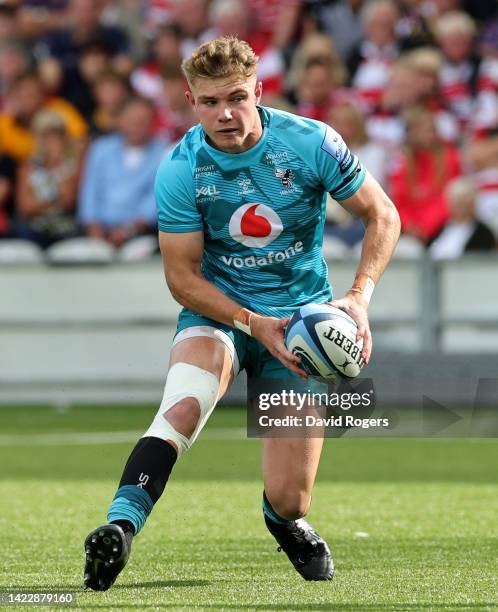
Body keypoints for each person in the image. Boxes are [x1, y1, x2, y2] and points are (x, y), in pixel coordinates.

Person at [82, 36, 400, 591]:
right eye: (208, 102)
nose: (224, 114)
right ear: (189, 100)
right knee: (183, 405)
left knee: (290, 494)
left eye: (235, 97)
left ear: (258, 89)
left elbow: (382, 214)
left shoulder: (310, 142)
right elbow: (182, 278)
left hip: (303, 326)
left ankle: (283, 521)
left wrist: (358, 298)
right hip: (224, 313)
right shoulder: (181, 166)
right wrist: (252, 322)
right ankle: (118, 528)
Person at [78, 96, 166, 247]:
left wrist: (128, 230)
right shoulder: (101, 148)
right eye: (132, 119)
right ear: (120, 120)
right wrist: (93, 227)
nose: (137, 125)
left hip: (142, 231)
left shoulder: (164, 152)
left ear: (152, 122)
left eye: (143, 120)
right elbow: (90, 190)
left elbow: (156, 198)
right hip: (97, 230)